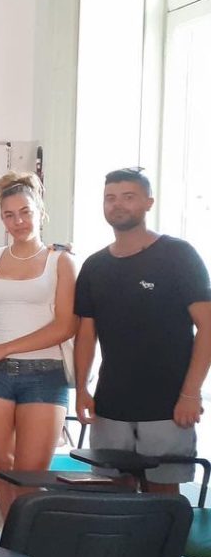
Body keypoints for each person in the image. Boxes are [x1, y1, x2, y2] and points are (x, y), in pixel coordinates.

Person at [75, 167, 211, 494]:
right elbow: (85, 334)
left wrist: (191, 394)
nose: (118, 205)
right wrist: (81, 388)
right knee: (113, 493)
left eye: (128, 197)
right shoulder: (94, 266)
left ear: (148, 202)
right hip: (110, 405)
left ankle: (162, 549)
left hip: (169, 406)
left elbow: (207, 327)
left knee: (162, 494)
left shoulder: (178, 255)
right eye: (110, 198)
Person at [0, 173, 78, 517]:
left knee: (30, 476)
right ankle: (10, 550)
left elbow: (65, 326)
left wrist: (2, 348)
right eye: (9, 215)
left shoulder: (61, 261)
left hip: (45, 374)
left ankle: (28, 550)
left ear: (40, 212)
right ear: (1, 219)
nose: (18, 221)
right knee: (3, 467)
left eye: (25, 212)